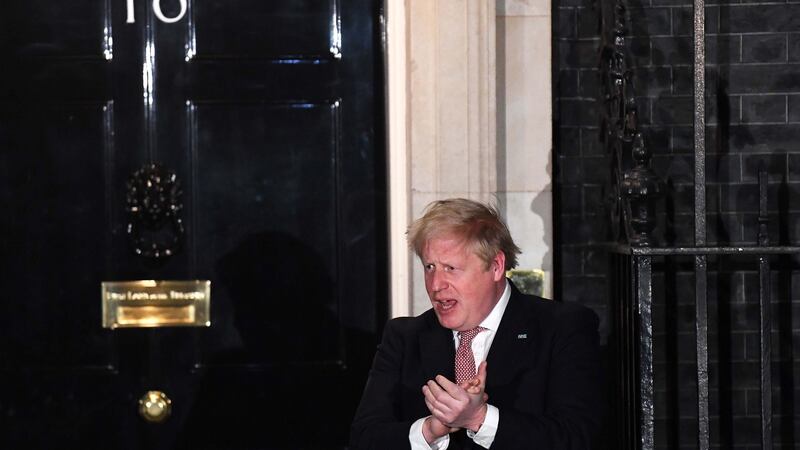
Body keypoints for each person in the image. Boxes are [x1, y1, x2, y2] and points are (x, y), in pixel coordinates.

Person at [350, 198, 603, 449]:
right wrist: (429, 430)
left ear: (495, 266)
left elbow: (577, 437)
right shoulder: (404, 337)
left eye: (450, 268)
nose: (436, 284)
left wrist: (479, 419)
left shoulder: (562, 327)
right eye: (430, 267)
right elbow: (365, 439)